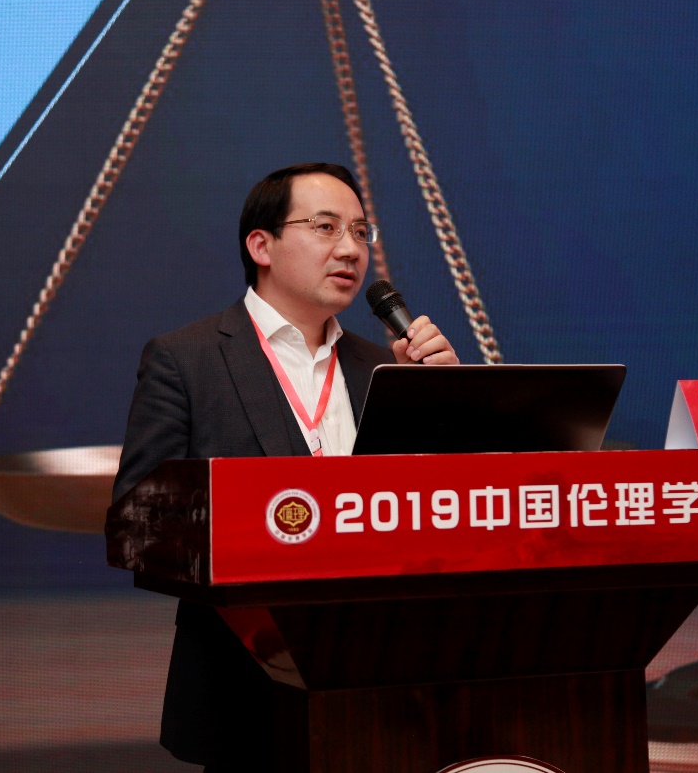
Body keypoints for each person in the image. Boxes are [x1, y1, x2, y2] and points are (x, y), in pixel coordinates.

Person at [112, 162, 458, 770]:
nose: (350, 249)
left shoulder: (386, 369)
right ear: (261, 245)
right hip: (248, 687)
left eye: (360, 232)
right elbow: (137, 522)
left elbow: (443, 513)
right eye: (326, 227)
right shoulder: (186, 360)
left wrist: (439, 404)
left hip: (387, 682)